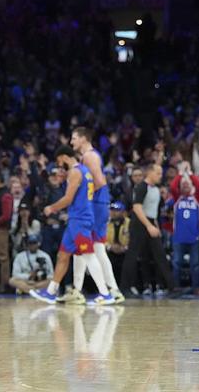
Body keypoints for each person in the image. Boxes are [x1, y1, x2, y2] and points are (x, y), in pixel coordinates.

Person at [30, 145, 115, 306]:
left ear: (64, 157)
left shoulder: (76, 172)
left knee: (88, 255)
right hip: (76, 219)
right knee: (63, 255)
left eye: (59, 161)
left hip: (80, 219)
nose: (59, 165)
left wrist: (51, 208)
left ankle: (105, 294)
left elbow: (68, 199)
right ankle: (51, 292)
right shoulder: (83, 171)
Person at [68, 127, 123, 304]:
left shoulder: (89, 156)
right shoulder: (89, 156)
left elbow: (99, 182)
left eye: (74, 138)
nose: (71, 142)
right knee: (89, 248)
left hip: (96, 204)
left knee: (90, 247)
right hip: (98, 204)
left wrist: (83, 201)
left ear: (84, 138)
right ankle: (84, 290)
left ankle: (107, 291)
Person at [120, 164, 180, 297]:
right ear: (150, 173)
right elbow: (137, 208)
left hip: (151, 222)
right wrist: (148, 226)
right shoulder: (141, 187)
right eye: (158, 173)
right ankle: (124, 288)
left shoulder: (156, 189)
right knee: (132, 255)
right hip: (139, 223)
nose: (160, 176)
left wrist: (155, 225)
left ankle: (172, 287)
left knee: (160, 254)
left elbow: (154, 211)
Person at [172, 178, 199, 293]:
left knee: (196, 264)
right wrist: (180, 174)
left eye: (188, 184)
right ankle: (175, 286)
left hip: (194, 237)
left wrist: (190, 175)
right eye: (183, 184)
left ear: (192, 186)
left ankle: (197, 287)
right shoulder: (177, 198)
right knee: (176, 263)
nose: (185, 185)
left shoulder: (197, 198)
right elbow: (173, 186)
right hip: (179, 237)